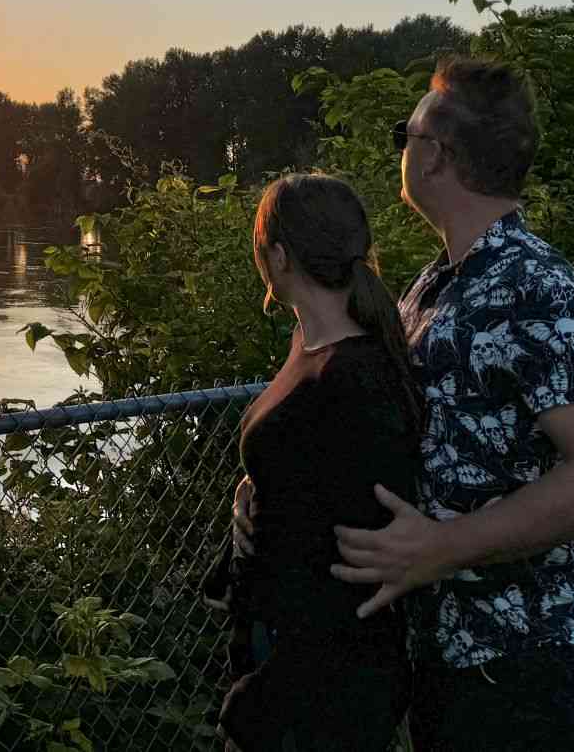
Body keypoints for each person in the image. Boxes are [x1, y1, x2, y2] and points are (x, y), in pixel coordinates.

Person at [328, 57, 574, 752]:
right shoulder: (438, 285)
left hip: (525, 660)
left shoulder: (536, 287)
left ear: (436, 155)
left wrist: (440, 549)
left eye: (405, 134)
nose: (402, 149)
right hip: (452, 651)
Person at [203, 173, 425, 752]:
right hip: (280, 647)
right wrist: (255, 486)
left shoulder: (354, 377)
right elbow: (305, 468)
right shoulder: (309, 347)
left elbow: (349, 555)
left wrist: (265, 698)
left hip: (321, 680)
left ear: (279, 256)